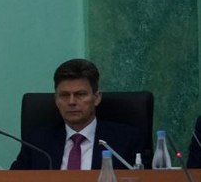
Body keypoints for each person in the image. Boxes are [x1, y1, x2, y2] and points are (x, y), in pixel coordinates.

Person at [10, 58, 146, 170]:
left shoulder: (127, 140)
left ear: (97, 98)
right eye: (64, 95)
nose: (71, 102)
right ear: (56, 100)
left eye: (80, 94)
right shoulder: (38, 141)